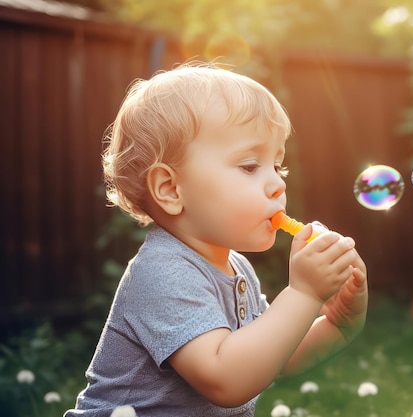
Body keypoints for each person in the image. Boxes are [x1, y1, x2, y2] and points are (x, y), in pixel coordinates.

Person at [64, 62, 368, 417]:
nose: (278, 183)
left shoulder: (237, 267)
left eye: (278, 165)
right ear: (170, 189)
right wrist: (304, 294)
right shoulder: (162, 272)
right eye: (251, 166)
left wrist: (337, 325)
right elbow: (227, 380)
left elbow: (268, 358)